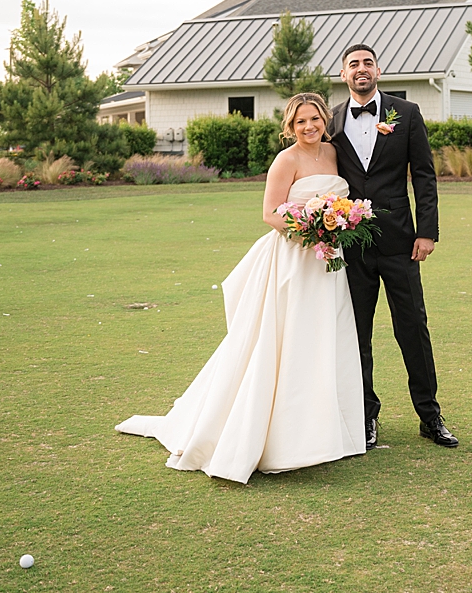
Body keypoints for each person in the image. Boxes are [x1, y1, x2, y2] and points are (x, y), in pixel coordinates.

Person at [115, 92, 365, 483]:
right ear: (290, 126)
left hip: (328, 264)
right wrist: (312, 228)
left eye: (314, 118)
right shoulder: (286, 160)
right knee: (288, 341)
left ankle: (326, 433)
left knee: (324, 339)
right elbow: (269, 213)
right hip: (293, 262)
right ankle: (281, 439)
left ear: (324, 119)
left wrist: (338, 224)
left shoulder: (334, 154)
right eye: (300, 121)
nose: (309, 126)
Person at [329, 43, 458, 450]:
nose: (361, 69)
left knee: (413, 329)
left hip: (402, 241)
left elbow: (424, 175)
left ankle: (430, 416)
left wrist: (427, 232)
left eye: (368, 62)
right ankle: (366, 416)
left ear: (378, 71)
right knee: (357, 335)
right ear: (344, 74)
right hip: (353, 247)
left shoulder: (408, 113)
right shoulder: (331, 120)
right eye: (354, 64)